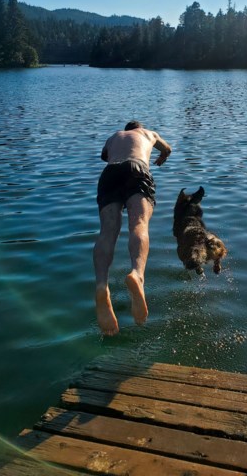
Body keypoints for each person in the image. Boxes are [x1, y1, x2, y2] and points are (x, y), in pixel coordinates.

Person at [93, 120, 172, 335]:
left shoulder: (114, 136)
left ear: (125, 130)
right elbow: (168, 148)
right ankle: (137, 275)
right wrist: (162, 156)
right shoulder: (149, 133)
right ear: (140, 128)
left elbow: (105, 156)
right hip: (137, 169)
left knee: (107, 232)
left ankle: (102, 285)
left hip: (110, 174)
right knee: (139, 223)